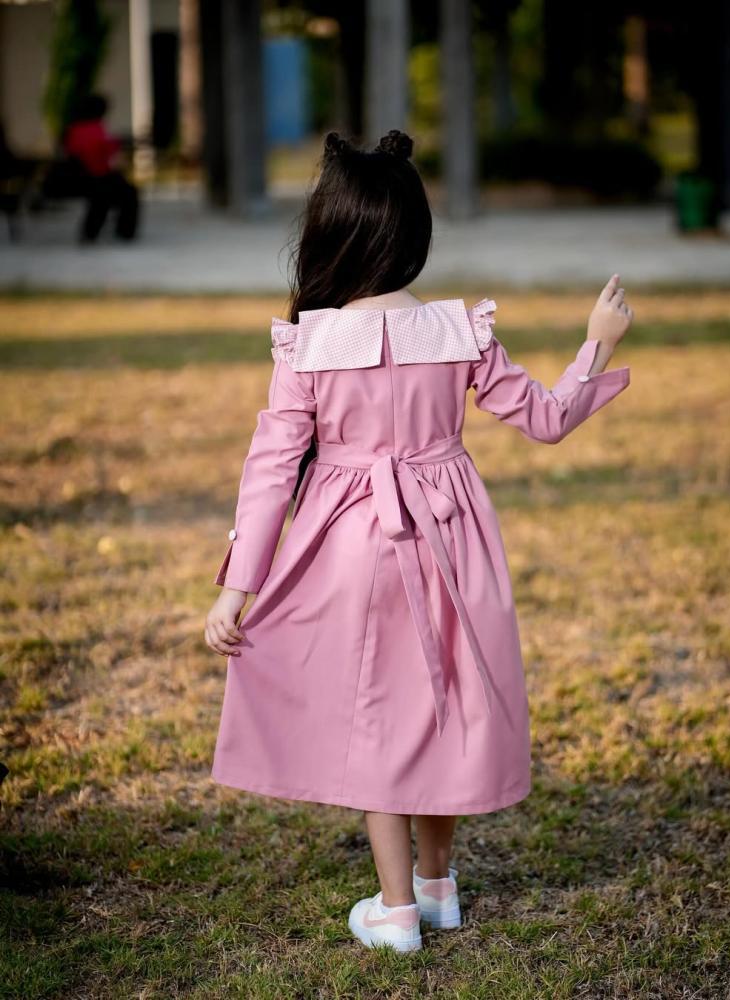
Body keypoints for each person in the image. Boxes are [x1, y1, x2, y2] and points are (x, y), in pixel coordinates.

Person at [204, 129, 633, 952]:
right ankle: (438, 888)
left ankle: (398, 909)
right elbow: (546, 419)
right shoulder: (458, 330)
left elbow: (272, 467)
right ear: (411, 232)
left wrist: (237, 586)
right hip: (451, 537)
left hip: (347, 543)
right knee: (442, 703)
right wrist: (597, 344)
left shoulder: (311, 345)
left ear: (333, 230)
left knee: (374, 711)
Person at [63, 94, 139, 243]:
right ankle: (124, 231)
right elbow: (97, 156)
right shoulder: (94, 128)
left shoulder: (73, 128)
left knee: (112, 191)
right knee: (126, 191)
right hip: (93, 176)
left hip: (78, 177)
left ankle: (92, 231)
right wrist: (116, 146)